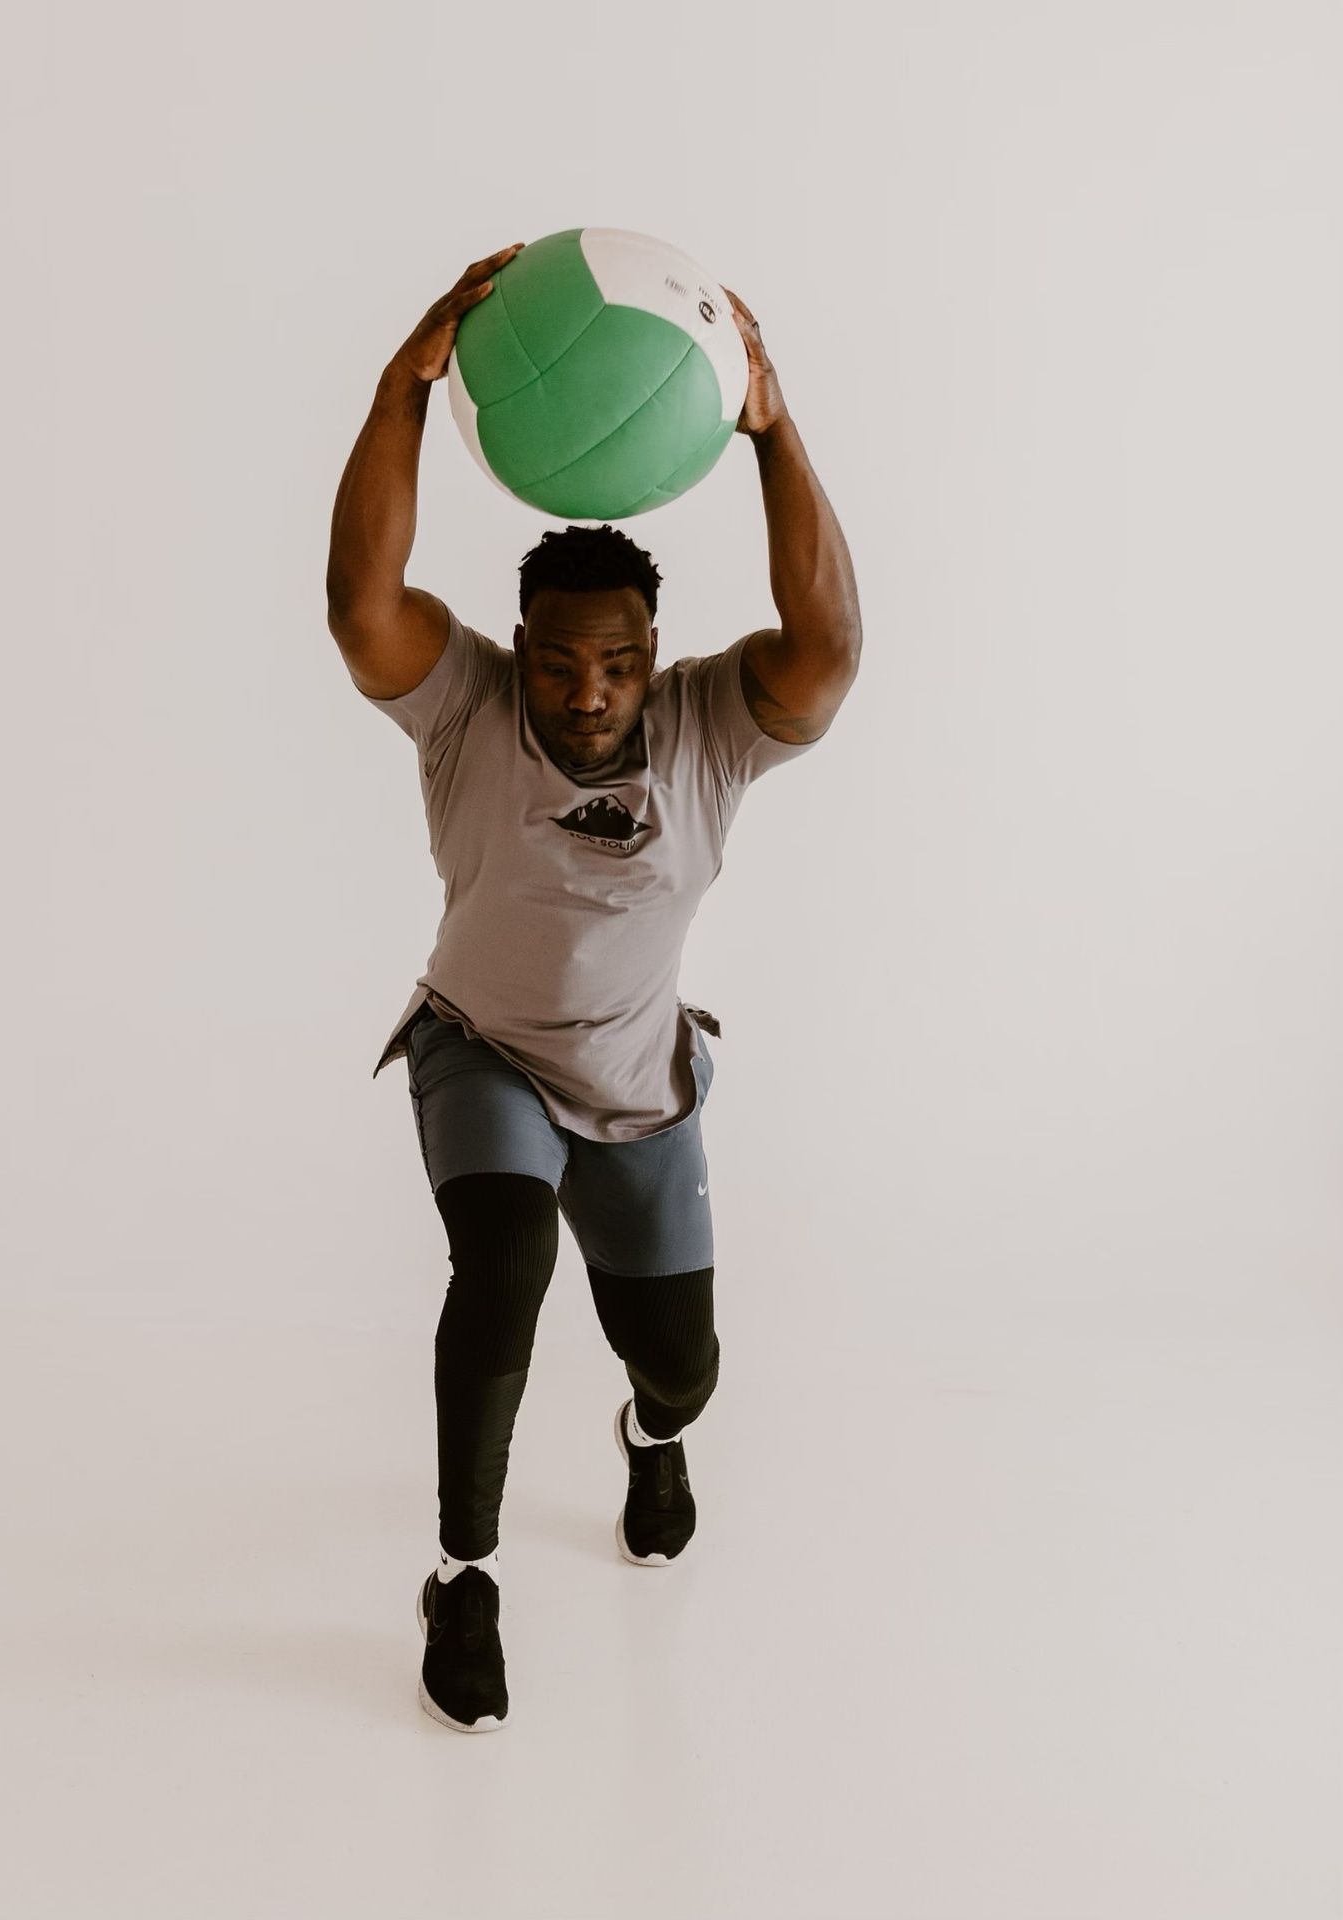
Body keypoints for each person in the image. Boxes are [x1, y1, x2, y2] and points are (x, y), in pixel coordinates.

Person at [325, 243, 862, 1733]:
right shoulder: (468, 712)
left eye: (614, 665)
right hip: (480, 1051)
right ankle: (463, 1575)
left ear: (651, 656)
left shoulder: (710, 731)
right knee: (501, 1273)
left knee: (681, 1367)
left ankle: (651, 1430)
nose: (583, 692)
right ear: (525, 653)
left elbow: (829, 648)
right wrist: (403, 390)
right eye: (561, 665)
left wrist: (771, 426)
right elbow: (362, 601)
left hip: (640, 1091)